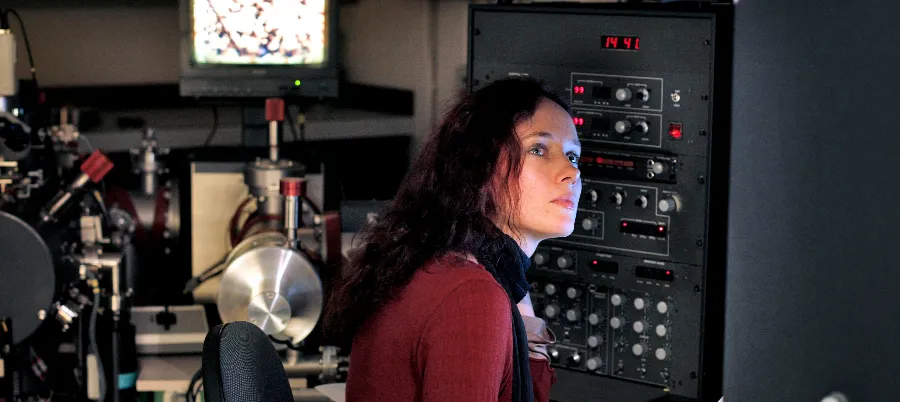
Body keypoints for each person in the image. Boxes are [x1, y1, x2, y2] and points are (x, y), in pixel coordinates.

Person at [324, 76, 582, 402]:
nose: (570, 172)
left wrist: (519, 298)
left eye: (573, 156)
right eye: (539, 149)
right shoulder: (471, 293)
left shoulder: (450, 264)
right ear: (480, 169)